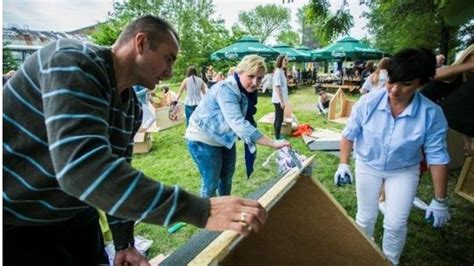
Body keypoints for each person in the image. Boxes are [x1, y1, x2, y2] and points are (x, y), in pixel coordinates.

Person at [3, 15, 268, 266]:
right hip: (17, 220)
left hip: (74, 213)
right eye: (168, 59)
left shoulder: (131, 108)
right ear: (140, 43)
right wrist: (201, 210)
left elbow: (116, 170)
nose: (169, 72)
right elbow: (81, 170)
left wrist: (123, 243)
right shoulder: (72, 61)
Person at [334, 48, 450, 265]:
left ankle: (390, 261)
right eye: (391, 81)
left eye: (406, 84)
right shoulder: (368, 103)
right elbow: (349, 134)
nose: (394, 90)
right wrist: (343, 164)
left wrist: (440, 200)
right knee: (365, 218)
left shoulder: (431, 114)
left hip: (404, 170)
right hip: (368, 165)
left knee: (396, 223)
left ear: (421, 84)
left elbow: (437, 157)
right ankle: (362, 258)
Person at [185, 55, 290, 197]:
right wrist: (272, 143)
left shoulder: (246, 92)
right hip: (202, 139)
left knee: (227, 179)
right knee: (211, 183)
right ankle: (207, 216)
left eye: (259, 78)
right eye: (251, 76)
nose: (255, 82)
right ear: (239, 72)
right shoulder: (225, 89)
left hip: (224, 139)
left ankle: (225, 209)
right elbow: (238, 123)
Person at [272, 55, 289, 140]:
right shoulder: (278, 72)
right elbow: (277, 87)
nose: (287, 62)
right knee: (279, 119)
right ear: (280, 61)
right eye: (285, 60)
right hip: (278, 100)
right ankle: (277, 137)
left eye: (287, 60)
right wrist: (282, 102)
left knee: (278, 118)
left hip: (279, 99)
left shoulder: (281, 71)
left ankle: (277, 135)